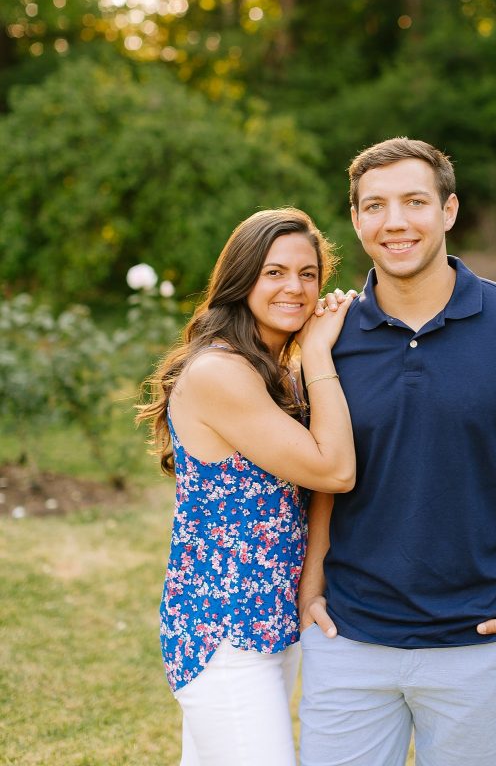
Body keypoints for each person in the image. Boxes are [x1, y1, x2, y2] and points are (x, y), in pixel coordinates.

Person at [298, 138, 496, 766]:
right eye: (375, 206)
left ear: (449, 210)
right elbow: (317, 476)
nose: (395, 222)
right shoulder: (327, 337)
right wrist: (311, 594)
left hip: (478, 643)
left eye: (414, 201)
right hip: (349, 639)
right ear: (356, 220)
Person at [136, 208, 356, 766]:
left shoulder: (273, 370)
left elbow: (315, 488)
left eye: (309, 274)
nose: (296, 288)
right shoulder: (221, 372)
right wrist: (321, 354)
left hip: (271, 621)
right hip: (223, 631)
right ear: (241, 279)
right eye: (274, 272)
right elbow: (334, 469)